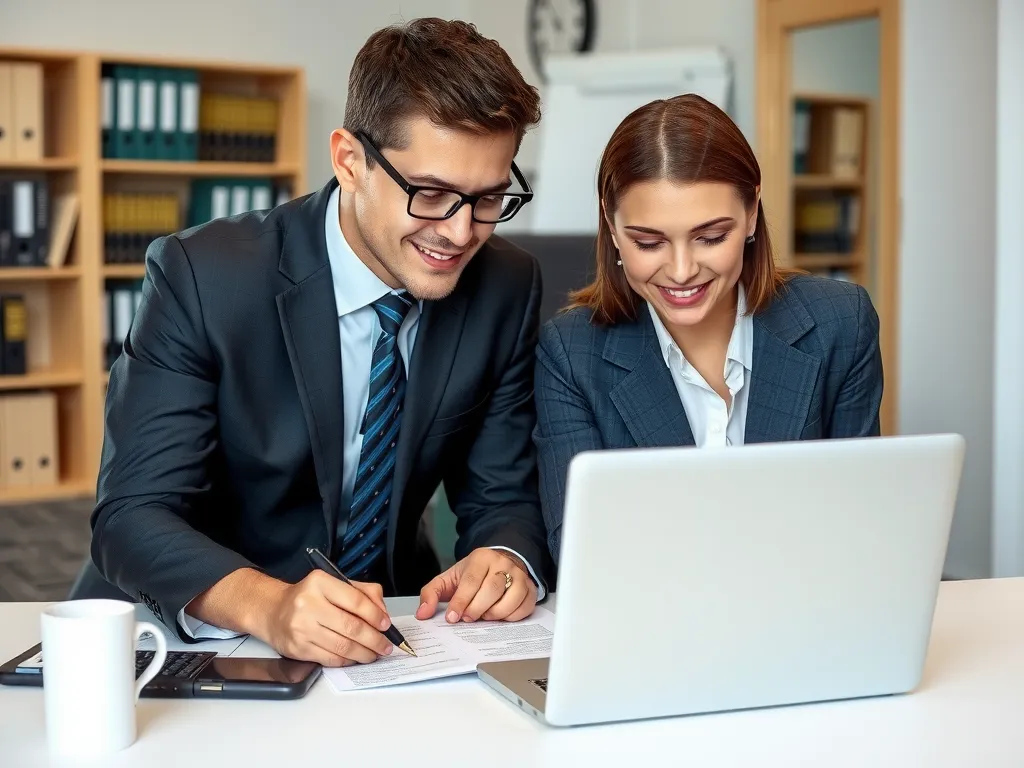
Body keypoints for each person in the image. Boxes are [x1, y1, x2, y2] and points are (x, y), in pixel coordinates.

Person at [91, 17, 553, 668]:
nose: (459, 232)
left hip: (387, 629)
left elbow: (503, 493)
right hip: (196, 629)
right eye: (430, 195)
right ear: (350, 160)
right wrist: (269, 606)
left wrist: (505, 558)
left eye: (488, 198)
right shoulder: (206, 275)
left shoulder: (506, 285)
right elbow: (132, 514)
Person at [533, 94, 883, 564]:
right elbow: (579, 550)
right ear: (612, 227)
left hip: (807, 616)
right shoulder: (571, 353)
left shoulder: (841, 322)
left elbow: (863, 521)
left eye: (711, 237)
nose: (681, 271)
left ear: (752, 212)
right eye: (649, 242)